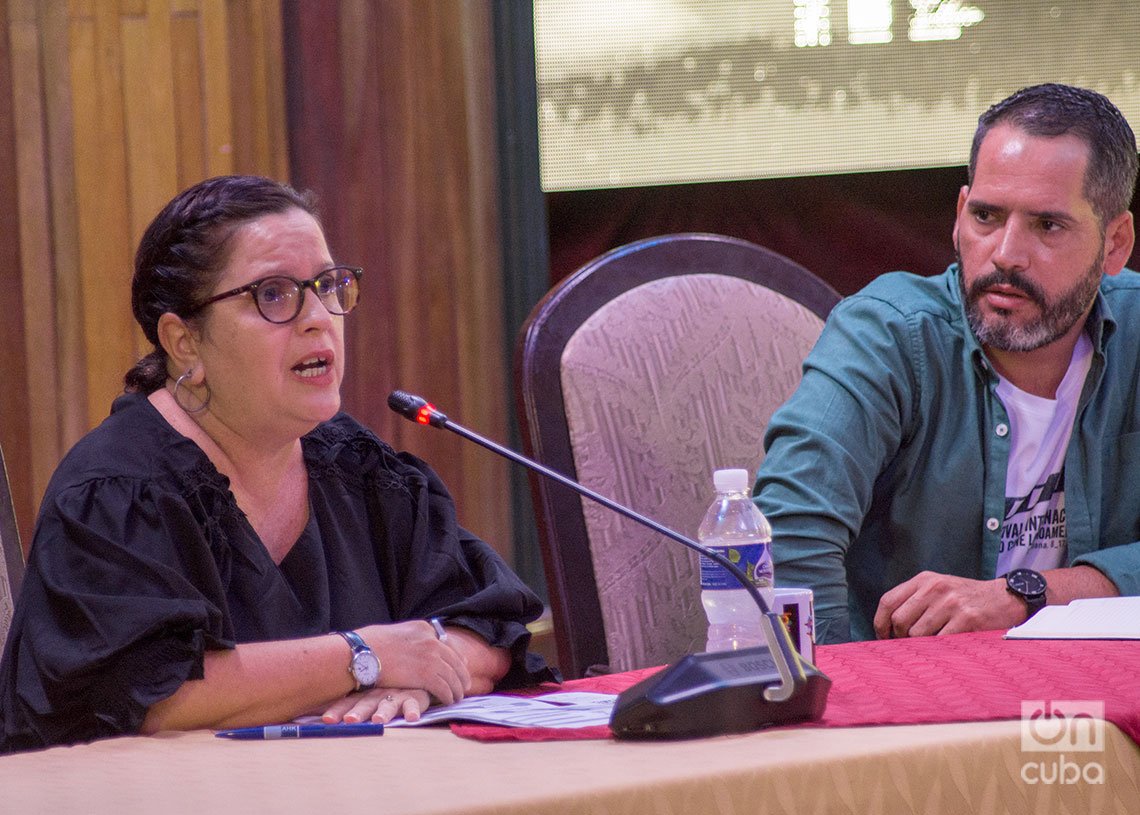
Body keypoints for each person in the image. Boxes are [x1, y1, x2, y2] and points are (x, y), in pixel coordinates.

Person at [0, 175, 552, 753]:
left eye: (329, 286)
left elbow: (490, 626)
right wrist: (366, 657)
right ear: (184, 341)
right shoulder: (115, 493)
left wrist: (418, 673)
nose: (319, 317)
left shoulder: (357, 470)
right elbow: (152, 697)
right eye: (274, 294)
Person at [756, 83, 1140, 645]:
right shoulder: (885, 335)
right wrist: (846, 704)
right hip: (907, 704)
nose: (1006, 253)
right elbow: (787, 538)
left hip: (1086, 696)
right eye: (986, 215)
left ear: (1115, 243)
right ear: (960, 216)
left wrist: (1028, 594)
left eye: (1047, 226)